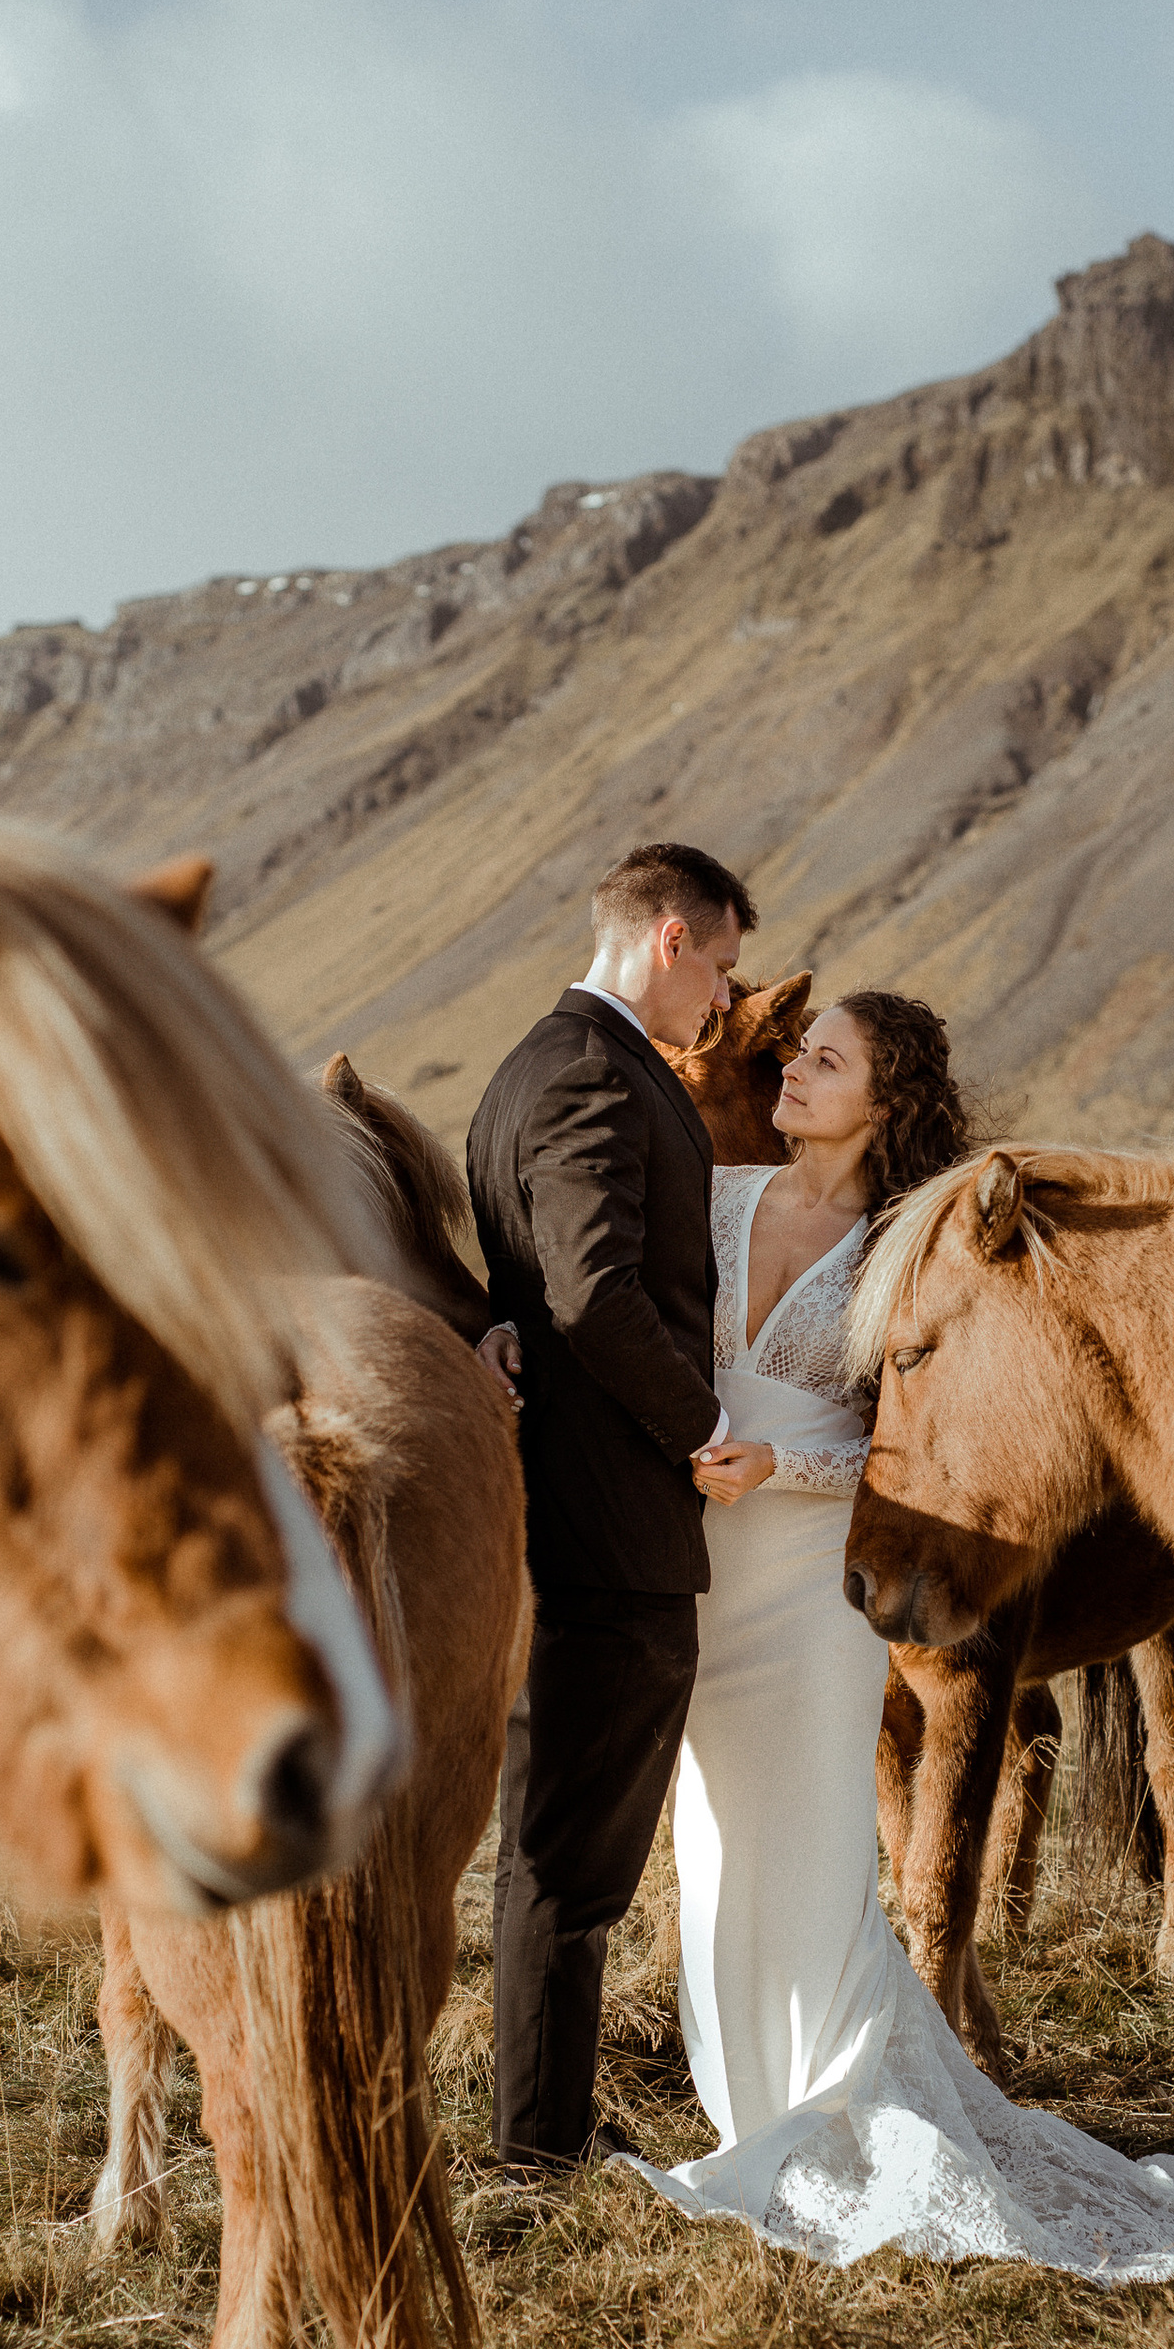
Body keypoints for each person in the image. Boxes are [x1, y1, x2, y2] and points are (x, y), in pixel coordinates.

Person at [629, 988, 1174, 2275]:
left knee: (812, 1852)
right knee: (713, 1844)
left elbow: (925, 1444)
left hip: (818, 1571)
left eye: (825, 1061)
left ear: (885, 1102)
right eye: (798, 1054)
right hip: (716, 1572)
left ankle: (832, 2100)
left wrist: (782, 1468)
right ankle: (742, 2099)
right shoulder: (715, 1203)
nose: (792, 1071)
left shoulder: (903, 1249)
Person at [466, 840, 754, 2168]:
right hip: (609, 1527)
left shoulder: (526, 1065)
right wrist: (707, 1430)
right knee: (571, 1867)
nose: (726, 1003)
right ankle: (539, 2151)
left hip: (562, 1516)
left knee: (555, 1855)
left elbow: (526, 1285)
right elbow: (589, 1292)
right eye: (723, 969)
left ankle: (545, 2128)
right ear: (671, 937)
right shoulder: (595, 1071)